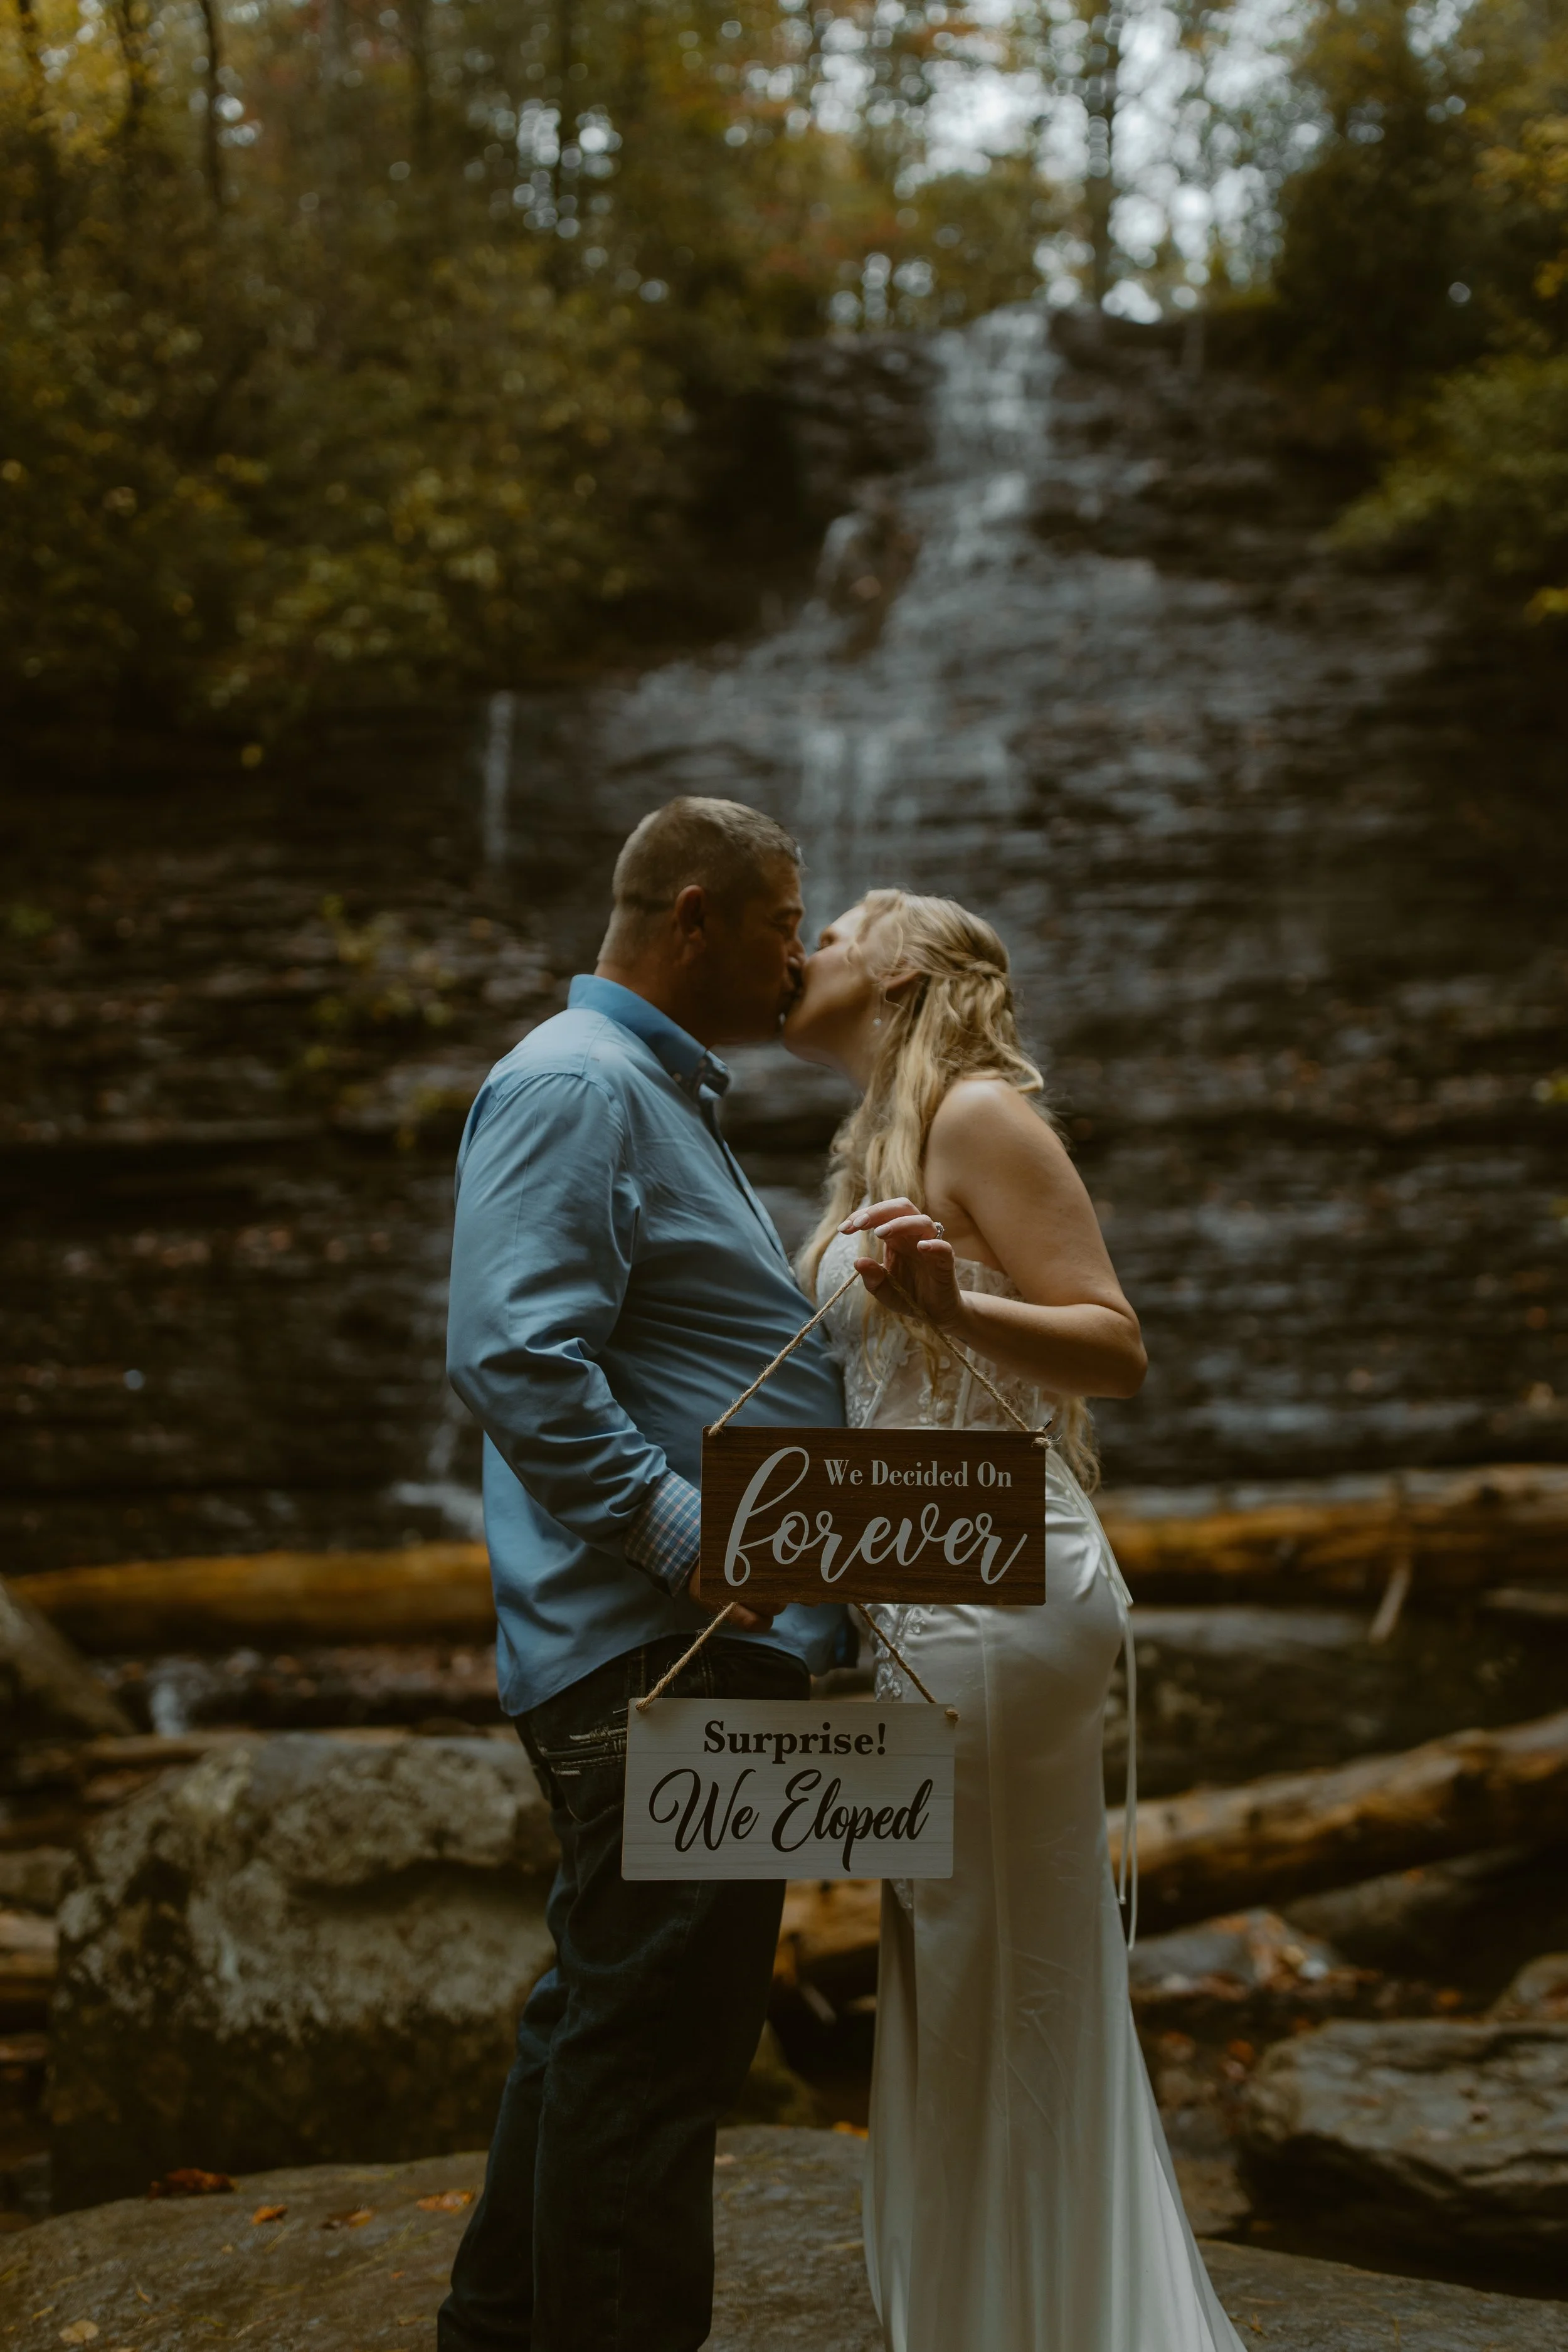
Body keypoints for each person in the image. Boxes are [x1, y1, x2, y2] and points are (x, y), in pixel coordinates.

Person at [785, 887, 1245, 2352]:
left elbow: (1113, 1344)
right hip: (917, 1591)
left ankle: (1025, 2319)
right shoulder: (881, 1133)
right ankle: (994, 2299)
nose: (807, 946)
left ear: (904, 969)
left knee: (987, 1942)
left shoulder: (976, 1113)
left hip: (999, 1588)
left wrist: (949, 1305)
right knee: (950, 1941)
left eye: (838, 923)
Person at [440, 797, 847, 2352]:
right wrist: (689, 1539)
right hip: (657, 1648)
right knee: (659, 2053)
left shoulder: (651, 1092)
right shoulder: (577, 1084)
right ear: (691, 917)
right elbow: (512, 1356)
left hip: (687, 1649)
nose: (797, 957)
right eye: (776, 921)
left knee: (602, 2020)